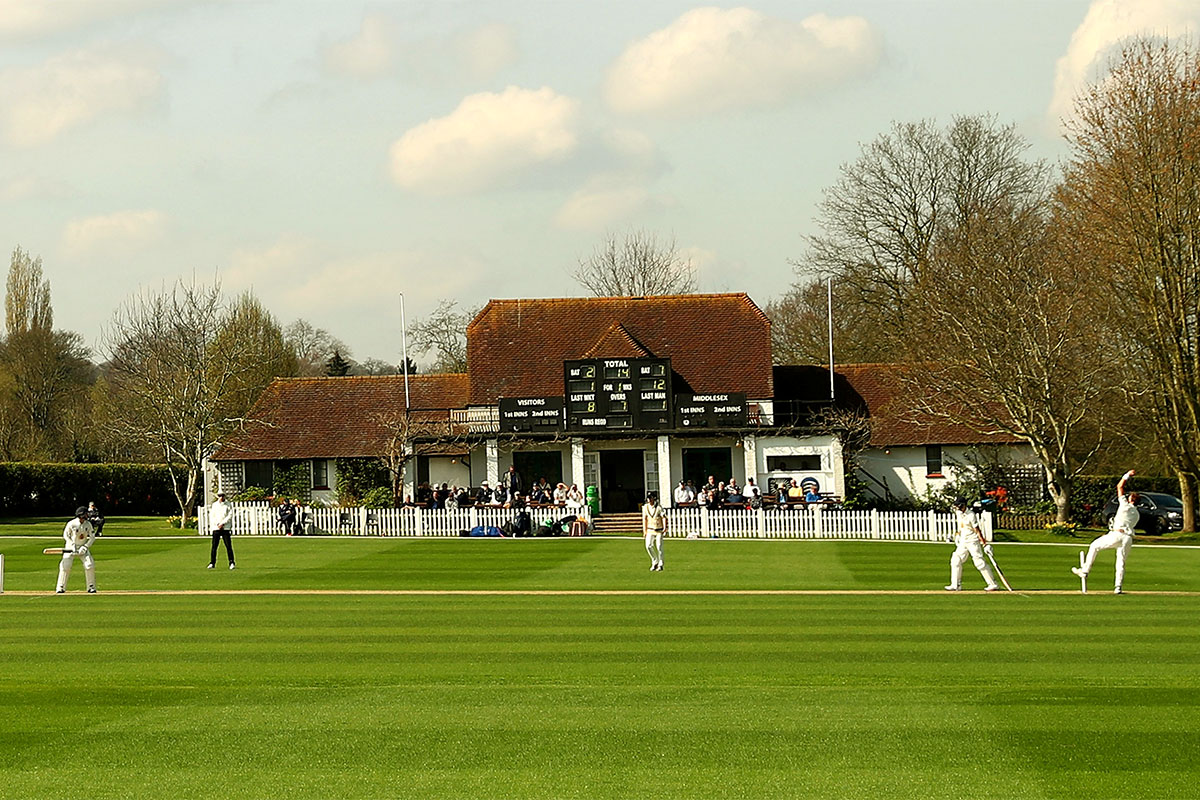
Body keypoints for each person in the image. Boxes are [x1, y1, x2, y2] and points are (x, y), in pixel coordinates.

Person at [1073, 469, 1138, 594]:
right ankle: (1118, 587)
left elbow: (1119, 486)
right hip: (1128, 538)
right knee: (1121, 563)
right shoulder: (1137, 514)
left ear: (1131, 500)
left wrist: (1127, 475)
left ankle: (1085, 570)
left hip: (1117, 535)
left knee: (1094, 546)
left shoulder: (1124, 505)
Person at [946, 497, 998, 591]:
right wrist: (958, 535)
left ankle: (992, 584)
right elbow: (960, 526)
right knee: (955, 560)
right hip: (963, 541)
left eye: (958, 505)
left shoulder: (971, 515)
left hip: (973, 541)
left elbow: (977, 531)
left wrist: (984, 544)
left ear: (963, 505)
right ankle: (955, 585)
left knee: (979, 562)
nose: (956, 507)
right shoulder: (958, 513)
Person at [56, 506, 97, 594]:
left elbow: (92, 537)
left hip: (82, 548)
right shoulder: (71, 524)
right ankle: (60, 587)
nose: (87, 515)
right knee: (66, 566)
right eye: (86, 514)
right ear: (81, 515)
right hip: (70, 548)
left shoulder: (88, 524)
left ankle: (91, 586)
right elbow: (66, 535)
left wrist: (85, 547)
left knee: (89, 564)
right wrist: (72, 545)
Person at [209, 491, 236, 570]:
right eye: (219, 496)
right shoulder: (215, 505)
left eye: (222, 496)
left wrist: (223, 524)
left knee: (228, 546)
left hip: (225, 528)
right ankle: (212, 563)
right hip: (216, 528)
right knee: (214, 546)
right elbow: (212, 516)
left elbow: (230, 515)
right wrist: (218, 524)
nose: (221, 497)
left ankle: (231, 562)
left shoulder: (228, 504)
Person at [642, 491, 666, 571]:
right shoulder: (645, 507)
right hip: (650, 529)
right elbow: (645, 519)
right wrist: (644, 530)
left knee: (659, 546)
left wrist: (665, 528)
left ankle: (661, 563)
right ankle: (654, 561)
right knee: (648, 545)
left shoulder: (659, 507)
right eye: (648, 498)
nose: (649, 499)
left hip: (658, 529)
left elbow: (664, 517)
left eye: (650, 498)